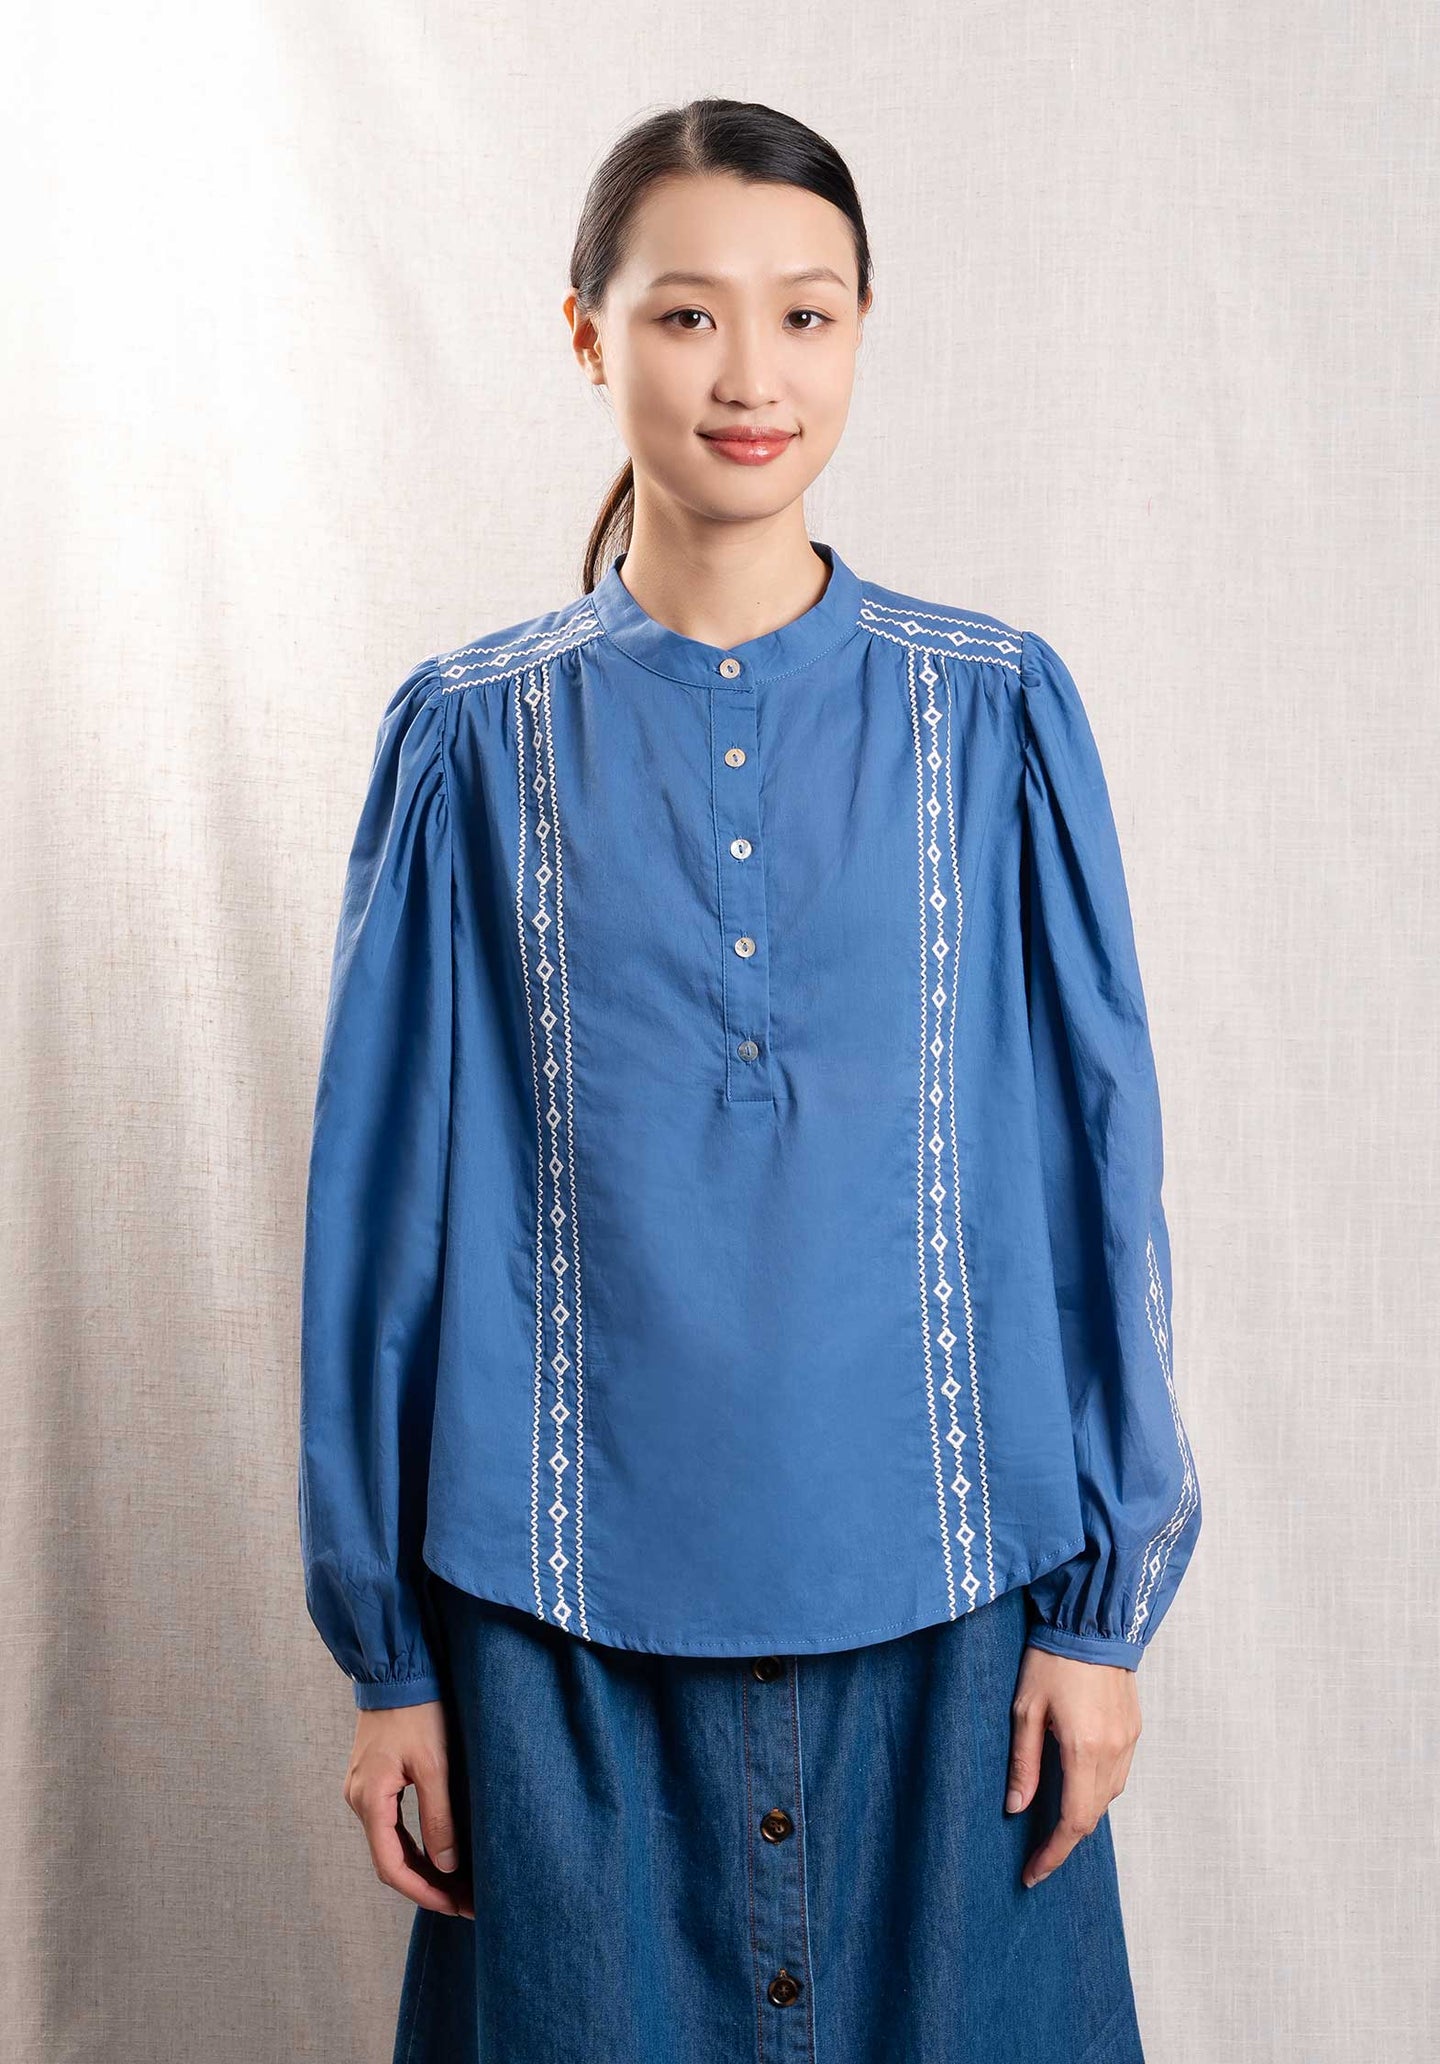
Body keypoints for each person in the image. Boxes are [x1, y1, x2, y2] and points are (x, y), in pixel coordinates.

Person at [297, 95, 1202, 2064]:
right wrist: (386, 1658)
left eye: (807, 314)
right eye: (688, 313)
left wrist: (1101, 1612)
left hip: (954, 1605)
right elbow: (379, 1224)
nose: (751, 376)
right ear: (585, 334)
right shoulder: (469, 742)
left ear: (864, 331)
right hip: (554, 1624)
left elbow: (1093, 1165)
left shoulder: (995, 717)